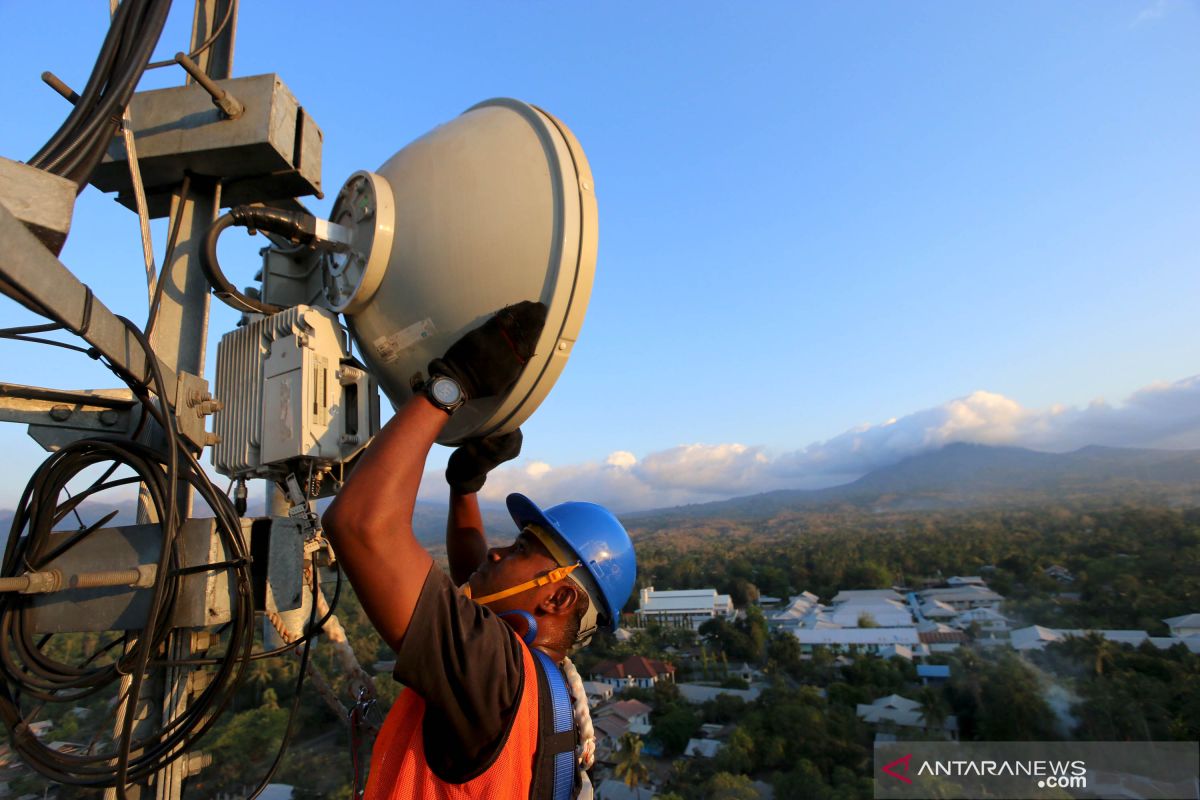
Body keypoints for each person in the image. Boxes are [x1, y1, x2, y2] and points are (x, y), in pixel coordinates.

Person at [323, 302, 637, 799]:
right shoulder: (534, 686)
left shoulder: (497, 677)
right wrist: (464, 486)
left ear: (557, 600)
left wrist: (451, 386)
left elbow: (361, 526)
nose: (494, 552)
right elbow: (476, 575)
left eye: (520, 549)